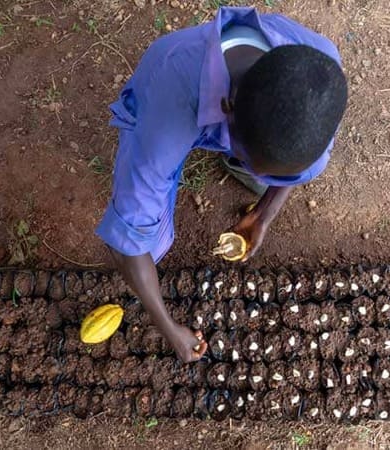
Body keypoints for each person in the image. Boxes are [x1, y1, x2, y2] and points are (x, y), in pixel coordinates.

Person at [96, 6, 348, 363]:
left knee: (278, 170)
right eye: (248, 159)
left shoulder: (320, 73)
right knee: (150, 243)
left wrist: (263, 215)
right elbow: (128, 239)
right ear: (227, 110)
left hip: (237, 122)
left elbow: (306, 161)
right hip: (171, 101)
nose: (264, 177)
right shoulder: (167, 112)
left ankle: (253, 159)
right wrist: (169, 328)